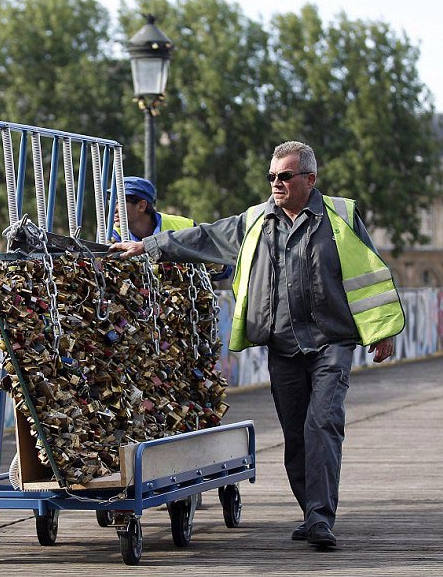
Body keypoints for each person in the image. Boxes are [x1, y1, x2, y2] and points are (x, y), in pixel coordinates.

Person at [111, 141, 402, 548]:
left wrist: (382, 329)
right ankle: (310, 509)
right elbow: (205, 238)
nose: (276, 184)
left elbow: (371, 272)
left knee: (323, 424)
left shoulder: (340, 216)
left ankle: (320, 518)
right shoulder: (255, 221)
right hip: (282, 345)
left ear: (309, 179)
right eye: (271, 177)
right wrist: (147, 246)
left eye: (284, 176)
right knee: (296, 434)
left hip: (331, 342)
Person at [111, 176, 195, 242]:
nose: (113, 210)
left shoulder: (185, 228)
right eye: (111, 203)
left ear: (141, 206)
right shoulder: (113, 235)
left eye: (119, 203)